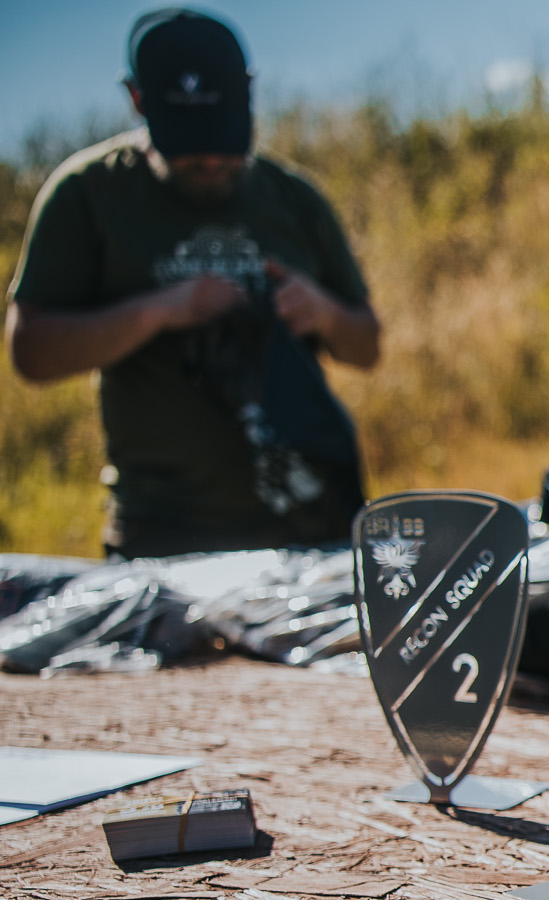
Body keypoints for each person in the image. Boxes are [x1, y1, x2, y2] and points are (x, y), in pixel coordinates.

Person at [6, 8, 381, 559]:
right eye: (189, 151)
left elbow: (366, 343)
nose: (209, 160)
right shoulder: (88, 196)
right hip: (162, 535)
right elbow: (30, 352)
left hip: (305, 524)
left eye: (223, 145)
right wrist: (160, 310)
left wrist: (322, 312)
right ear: (138, 101)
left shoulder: (294, 201)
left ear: (249, 96)